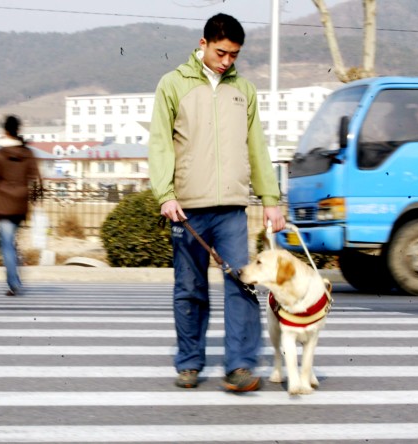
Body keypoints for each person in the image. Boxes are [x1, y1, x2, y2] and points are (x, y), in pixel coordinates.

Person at [148, 13, 286, 391]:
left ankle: (240, 366)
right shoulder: (173, 85)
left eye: (234, 55)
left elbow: (256, 146)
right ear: (203, 44)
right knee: (189, 289)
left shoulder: (244, 90)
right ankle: (189, 362)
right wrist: (165, 194)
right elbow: (160, 142)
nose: (227, 61)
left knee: (242, 285)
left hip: (231, 210)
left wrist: (270, 199)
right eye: (221, 52)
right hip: (187, 207)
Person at [0, 115, 40, 296]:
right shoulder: (28, 153)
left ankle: (13, 282)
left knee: (6, 243)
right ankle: (16, 274)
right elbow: (33, 177)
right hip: (21, 203)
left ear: (5, 131)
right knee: (11, 240)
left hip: (4, 203)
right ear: (18, 130)